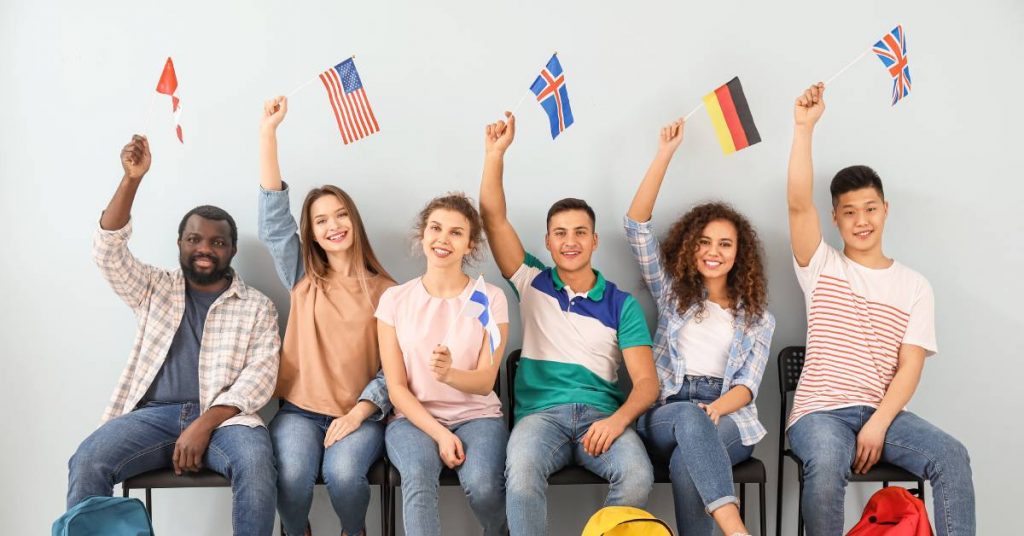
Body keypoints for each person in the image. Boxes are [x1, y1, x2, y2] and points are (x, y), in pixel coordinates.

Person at [785, 83, 976, 536]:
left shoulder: (915, 285)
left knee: (952, 455)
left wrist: (878, 424)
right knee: (828, 461)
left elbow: (910, 366)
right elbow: (796, 203)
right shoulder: (821, 265)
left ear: (886, 210)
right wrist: (803, 128)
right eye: (849, 212)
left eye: (870, 208)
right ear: (835, 219)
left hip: (881, 413)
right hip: (819, 414)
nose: (862, 220)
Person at [67, 135, 281, 536]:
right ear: (180, 244)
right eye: (195, 239)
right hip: (151, 416)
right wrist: (131, 180)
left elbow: (261, 378)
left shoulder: (257, 305)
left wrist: (203, 424)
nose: (205, 248)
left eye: (217, 242)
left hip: (226, 420)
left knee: (256, 465)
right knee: (88, 460)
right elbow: (107, 252)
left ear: (232, 250)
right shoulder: (153, 287)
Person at [479, 113, 658, 535]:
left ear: (595, 240)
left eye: (580, 232)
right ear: (548, 242)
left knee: (637, 476)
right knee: (520, 476)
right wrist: (495, 155)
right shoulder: (532, 281)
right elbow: (492, 217)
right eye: (560, 233)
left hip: (602, 416)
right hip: (540, 418)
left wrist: (617, 421)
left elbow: (646, 383)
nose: (570, 241)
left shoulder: (622, 304)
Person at [625, 118, 775, 536]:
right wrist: (664, 155)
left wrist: (717, 408)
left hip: (730, 414)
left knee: (685, 462)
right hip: (670, 408)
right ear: (691, 247)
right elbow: (636, 229)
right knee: (690, 419)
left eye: (725, 244)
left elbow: (747, 386)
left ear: (738, 253)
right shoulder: (672, 293)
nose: (713, 252)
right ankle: (738, 531)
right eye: (705, 242)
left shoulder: (759, 317)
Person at [258, 96, 395, 536]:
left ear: (354, 221)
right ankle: (297, 532)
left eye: (340, 216)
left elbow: (394, 369)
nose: (333, 225)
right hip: (299, 411)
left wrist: (358, 413)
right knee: (293, 477)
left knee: (343, 476)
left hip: (360, 413)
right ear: (311, 234)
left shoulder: (388, 292)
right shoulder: (302, 275)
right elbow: (274, 224)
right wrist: (269, 133)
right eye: (320, 221)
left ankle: (353, 531)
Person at [377, 193, 511, 536]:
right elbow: (396, 389)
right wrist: (438, 434)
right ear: (422, 236)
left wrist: (449, 374)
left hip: (476, 416)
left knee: (483, 486)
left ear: (469, 245)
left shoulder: (491, 298)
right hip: (413, 419)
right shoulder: (394, 300)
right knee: (419, 480)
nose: (443, 239)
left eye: (456, 233)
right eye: (436, 228)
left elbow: (484, 382)